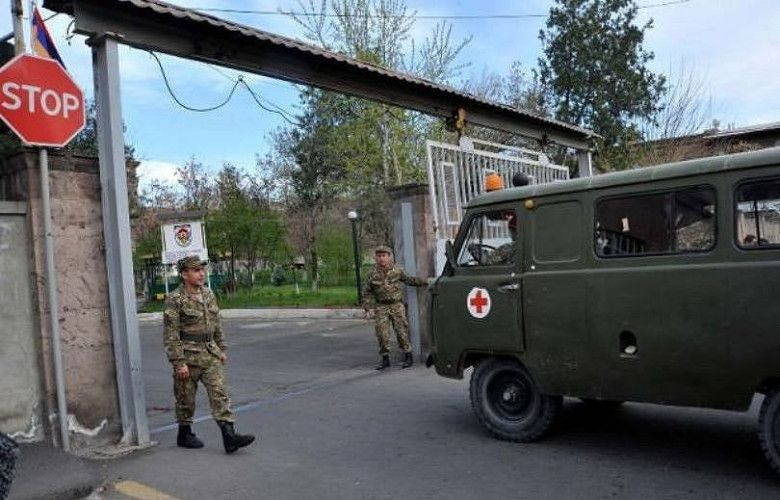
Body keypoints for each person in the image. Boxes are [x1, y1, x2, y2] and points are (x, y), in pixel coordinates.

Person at [164, 256, 255, 453]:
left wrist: (222, 348)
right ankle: (184, 434)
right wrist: (179, 362)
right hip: (188, 356)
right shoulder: (175, 299)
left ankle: (229, 437)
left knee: (220, 393)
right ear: (184, 274)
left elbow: (216, 323)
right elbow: (171, 334)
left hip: (209, 353)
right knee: (186, 399)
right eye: (196, 270)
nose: (201, 274)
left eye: (202, 270)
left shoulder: (208, 294)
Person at [362, 246, 428, 370]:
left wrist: (425, 281)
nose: (381, 258)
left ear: (389, 257)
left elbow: (409, 280)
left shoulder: (397, 270)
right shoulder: (372, 274)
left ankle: (408, 356)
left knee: (401, 331)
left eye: (384, 256)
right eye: (379, 256)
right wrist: (367, 307)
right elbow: (367, 291)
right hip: (381, 306)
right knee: (382, 333)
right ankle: (385, 359)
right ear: (375, 258)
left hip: (396, 305)